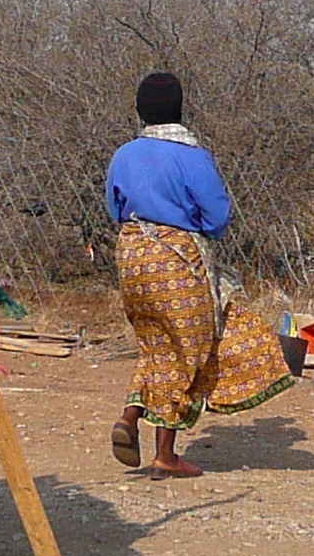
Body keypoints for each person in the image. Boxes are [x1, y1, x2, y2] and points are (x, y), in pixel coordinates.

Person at [106, 72, 292, 476]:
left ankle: (130, 415)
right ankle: (165, 455)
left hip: (132, 255)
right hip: (177, 259)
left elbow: (115, 208)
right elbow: (218, 217)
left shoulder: (124, 154)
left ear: (140, 110)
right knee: (189, 350)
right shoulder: (192, 156)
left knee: (157, 345)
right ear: (179, 107)